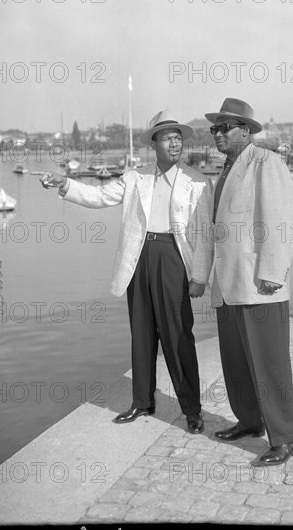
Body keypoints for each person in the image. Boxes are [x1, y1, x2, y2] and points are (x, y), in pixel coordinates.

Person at [36, 109, 213, 434]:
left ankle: (192, 409)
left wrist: (200, 275)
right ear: (154, 143)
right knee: (142, 335)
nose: (175, 144)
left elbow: (205, 233)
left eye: (178, 138)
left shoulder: (198, 182)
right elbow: (99, 196)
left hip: (174, 259)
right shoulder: (135, 178)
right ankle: (142, 402)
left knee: (178, 337)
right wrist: (66, 184)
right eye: (168, 138)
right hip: (139, 259)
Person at [205, 98, 293, 466]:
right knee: (237, 362)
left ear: (245, 130)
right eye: (214, 128)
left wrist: (273, 273)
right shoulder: (227, 169)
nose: (218, 134)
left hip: (259, 284)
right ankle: (249, 421)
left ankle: (286, 439)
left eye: (225, 127)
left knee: (269, 364)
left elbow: (280, 220)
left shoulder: (267, 162)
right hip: (229, 284)